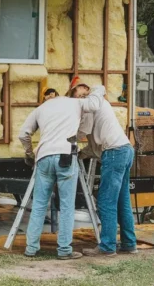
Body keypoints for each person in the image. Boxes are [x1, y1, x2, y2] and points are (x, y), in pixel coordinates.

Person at [19, 81, 106, 260]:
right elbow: (95, 105)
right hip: (66, 155)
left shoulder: (41, 108)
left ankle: (31, 248)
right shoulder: (76, 103)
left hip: (43, 156)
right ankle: (64, 250)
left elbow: (23, 134)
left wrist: (29, 153)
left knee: (39, 205)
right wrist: (98, 88)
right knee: (66, 206)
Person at [70, 83, 137, 257]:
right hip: (125, 150)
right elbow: (93, 147)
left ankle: (107, 246)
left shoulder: (92, 105)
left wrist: (64, 138)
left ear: (88, 94)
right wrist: (80, 154)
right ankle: (129, 243)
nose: (80, 100)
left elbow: (83, 131)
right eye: (77, 97)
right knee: (122, 202)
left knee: (106, 201)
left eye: (81, 95)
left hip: (114, 153)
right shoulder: (100, 104)